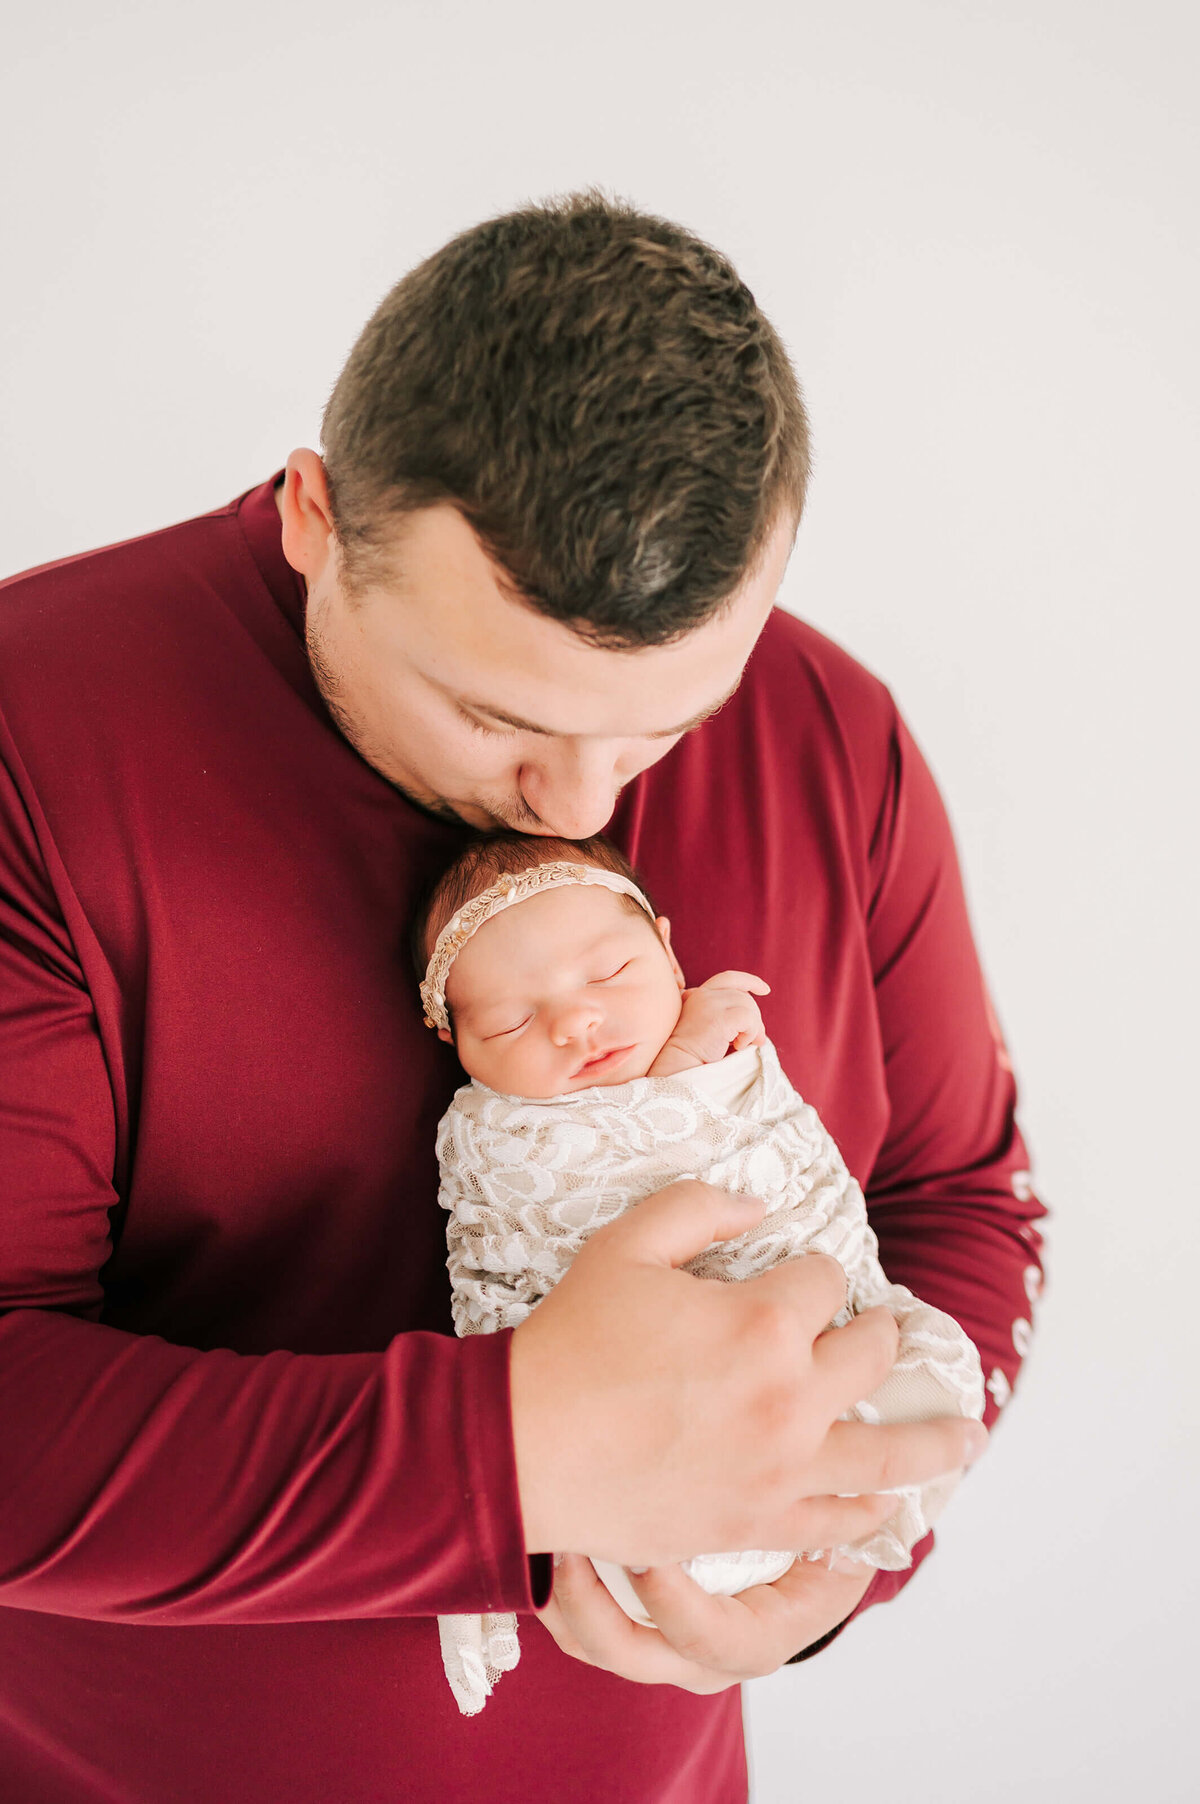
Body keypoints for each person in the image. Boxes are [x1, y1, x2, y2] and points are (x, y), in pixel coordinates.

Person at [0, 191, 1044, 1804]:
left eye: (664, 728)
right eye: (492, 712)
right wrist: (509, 1449)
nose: (574, 804)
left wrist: (828, 1555)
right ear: (310, 513)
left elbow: (959, 1196)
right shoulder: (31, 740)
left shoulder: (836, 732)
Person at [413, 832, 985, 1715]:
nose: (575, 1023)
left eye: (610, 974)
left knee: (933, 1372)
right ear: (453, 1041)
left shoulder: (731, 1049)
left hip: (823, 1386)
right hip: (617, 1500)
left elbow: (958, 1197)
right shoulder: (494, 1142)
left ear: (670, 947)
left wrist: (827, 1596)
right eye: (510, 1022)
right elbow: (494, 1281)